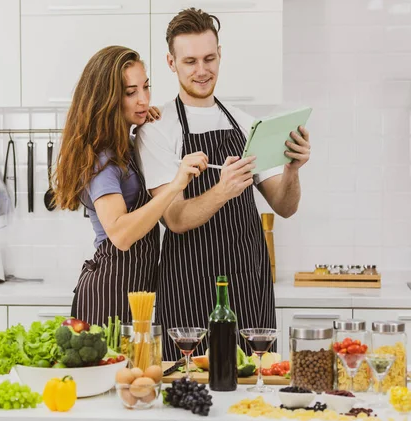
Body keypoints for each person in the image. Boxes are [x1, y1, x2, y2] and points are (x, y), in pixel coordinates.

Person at [135, 9, 311, 360]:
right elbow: (175, 218)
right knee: (188, 390)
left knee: (253, 387)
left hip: (248, 280)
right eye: (190, 61)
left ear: (220, 55)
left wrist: (292, 169)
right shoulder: (156, 128)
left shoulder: (247, 124)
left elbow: (285, 206)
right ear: (171, 63)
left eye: (209, 58)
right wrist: (223, 190)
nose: (202, 70)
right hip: (188, 282)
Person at [53, 45, 207, 326]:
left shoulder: (126, 146)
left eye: (145, 88)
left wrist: (147, 129)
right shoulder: (103, 160)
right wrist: (175, 185)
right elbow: (121, 234)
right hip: (108, 292)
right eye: (130, 92)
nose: (143, 100)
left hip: (136, 290)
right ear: (107, 99)